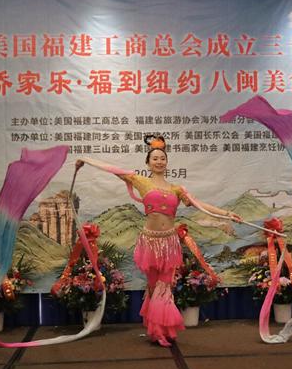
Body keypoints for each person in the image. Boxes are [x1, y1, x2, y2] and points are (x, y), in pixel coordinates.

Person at [76, 135, 242, 347]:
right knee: (154, 286)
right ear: (148, 163)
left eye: (162, 158)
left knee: (165, 286)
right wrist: (85, 160)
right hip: (149, 242)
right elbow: (113, 169)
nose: (159, 161)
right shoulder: (141, 181)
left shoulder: (176, 189)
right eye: (155, 158)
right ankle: (157, 331)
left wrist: (228, 214)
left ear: (167, 162)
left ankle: (162, 331)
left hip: (169, 243)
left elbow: (200, 205)